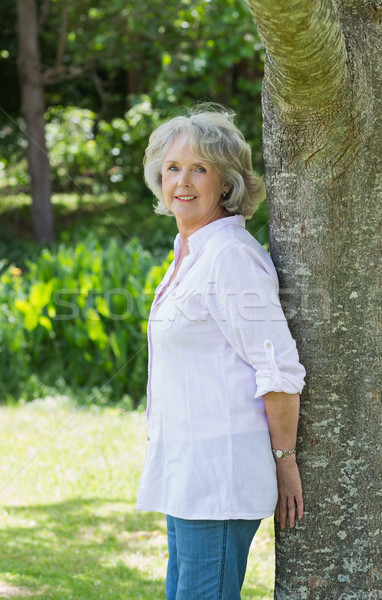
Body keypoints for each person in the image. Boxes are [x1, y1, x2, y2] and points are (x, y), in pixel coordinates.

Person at [135, 105, 306, 600]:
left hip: (219, 480)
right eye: (172, 168)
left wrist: (285, 461)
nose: (182, 181)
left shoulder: (231, 257)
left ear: (226, 183)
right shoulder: (190, 251)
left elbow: (277, 370)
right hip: (187, 474)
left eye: (199, 168)